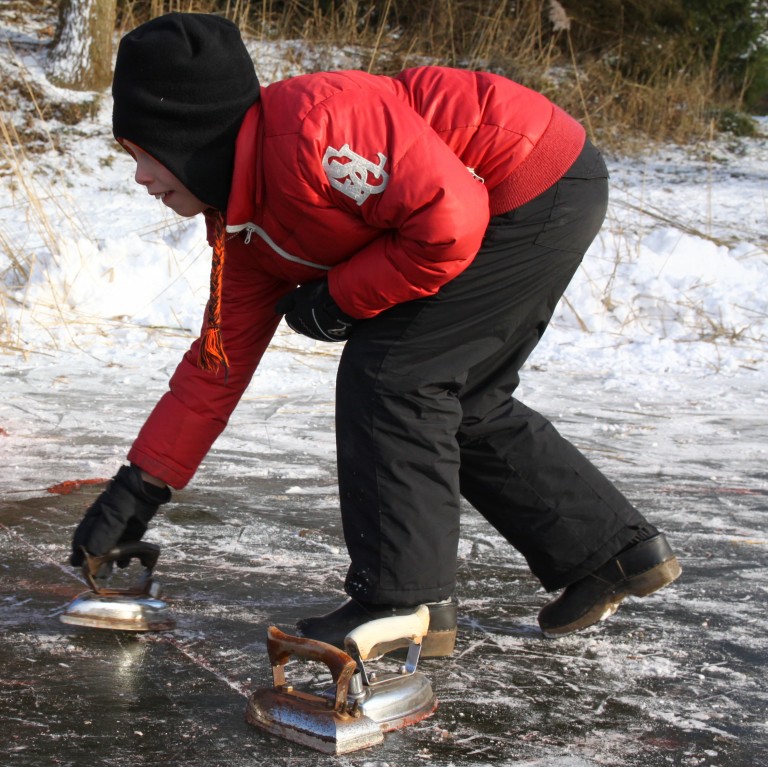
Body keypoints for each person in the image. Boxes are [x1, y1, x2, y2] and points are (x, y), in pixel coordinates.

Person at [69, 12, 681, 653]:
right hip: (513, 195)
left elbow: (450, 219)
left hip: (530, 179)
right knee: (454, 395)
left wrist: (337, 297)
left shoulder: (314, 128)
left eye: (145, 154)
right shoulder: (246, 230)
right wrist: (134, 494)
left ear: (190, 138)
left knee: (392, 375)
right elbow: (215, 368)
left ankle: (401, 600)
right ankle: (608, 553)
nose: (140, 177)